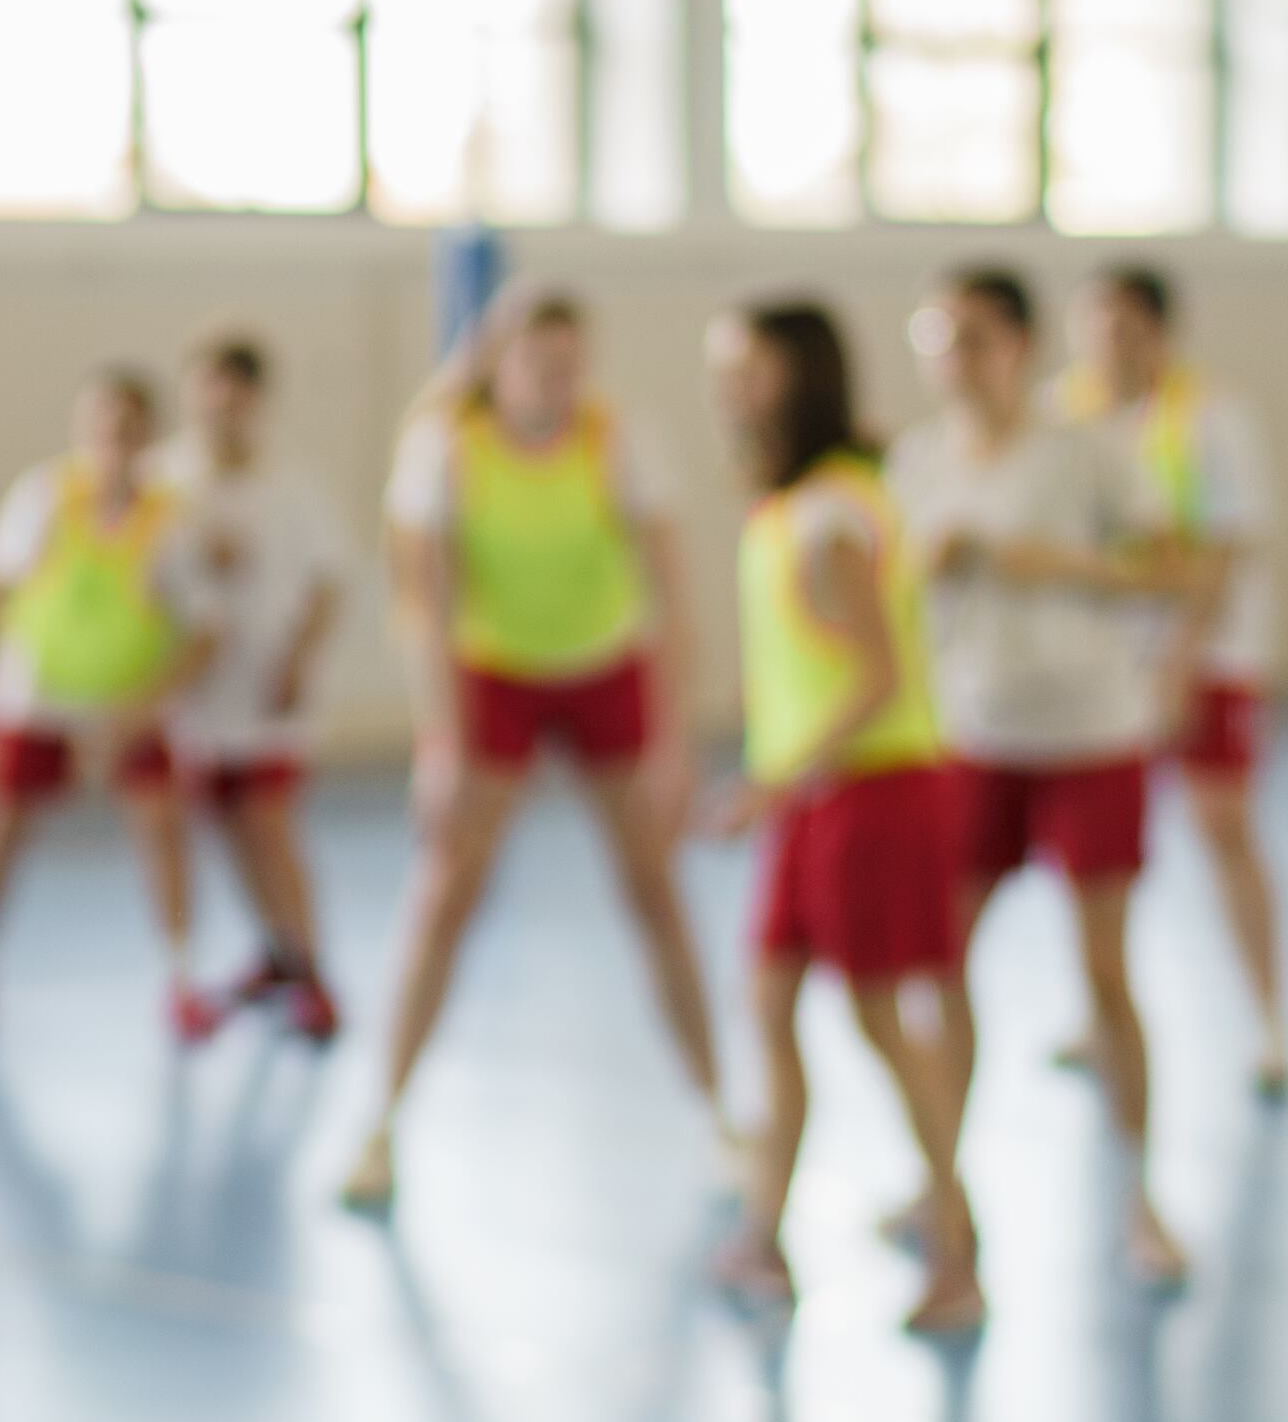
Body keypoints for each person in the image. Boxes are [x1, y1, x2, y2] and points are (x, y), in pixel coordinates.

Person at [342, 285, 722, 1217]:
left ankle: (719, 1111)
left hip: (602, 669)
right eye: (537, 360)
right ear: (497, 365)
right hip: (494, 678)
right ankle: (381, 1120)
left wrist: (674, 741)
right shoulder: (445, 449)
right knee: (447, 893)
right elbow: (424, 608)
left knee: (655, 890)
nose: (557, 377)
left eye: (570, 360)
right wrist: (443, 745)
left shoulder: (618, 439)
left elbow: (671, 595)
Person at [894, 268, 1193, 1289]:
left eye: (972, 337)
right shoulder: (914, 462)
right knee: (941, 963)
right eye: (937, 337)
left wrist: (1049, 563)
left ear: (1016, 346)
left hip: (1089, 730)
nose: (952, 359)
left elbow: (1169, 569)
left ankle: (1140, 1191)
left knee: (1102, 970)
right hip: (976, 734)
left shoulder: (1084, 452)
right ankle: (938, 1173)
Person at [699, 298, 983, 1338]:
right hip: (814, 796)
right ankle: (760, 1230)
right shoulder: (785, 504)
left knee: (875, 1017)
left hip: (869, 791)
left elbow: (874, 674)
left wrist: (773, 781)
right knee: (769, 1001)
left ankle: (954, 1244)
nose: (725, 383)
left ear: (796, 377)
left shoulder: (829, 515)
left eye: (746, 366)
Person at [0, 368, 216, 1039]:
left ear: (150, 434)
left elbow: (204, 633)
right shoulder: (45, 496)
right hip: (34, 693)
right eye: (102, 424)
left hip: (123, 699)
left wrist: (139, 711)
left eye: (129, 426)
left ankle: (181, 979)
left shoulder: (172, 517)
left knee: (162, 828)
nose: (113, 440)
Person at [1066, 264, 1288, 1101]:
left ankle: (1269, 1019)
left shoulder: (1212, 418)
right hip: (1104, 663)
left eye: (1124, 327)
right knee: (1097, 854)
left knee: (1223, 828)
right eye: (1093, 326)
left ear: (1160, 332)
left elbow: (1224, 552)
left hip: (1210, 655)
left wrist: (1181, 665)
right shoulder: (1071, 417)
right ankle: (1099, 1014)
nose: (1106, 345)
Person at [147, 329, 350, 1045]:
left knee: (270, 824)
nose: (220, 402)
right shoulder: (163, 482)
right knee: (226, 826)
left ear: (257, 399)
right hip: (198, 694)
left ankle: (311, 969)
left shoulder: (292, 484)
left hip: (268, 692)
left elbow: (330, 583)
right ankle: (272, 950)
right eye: (208, 385)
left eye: (236, 388)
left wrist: (297, 658)